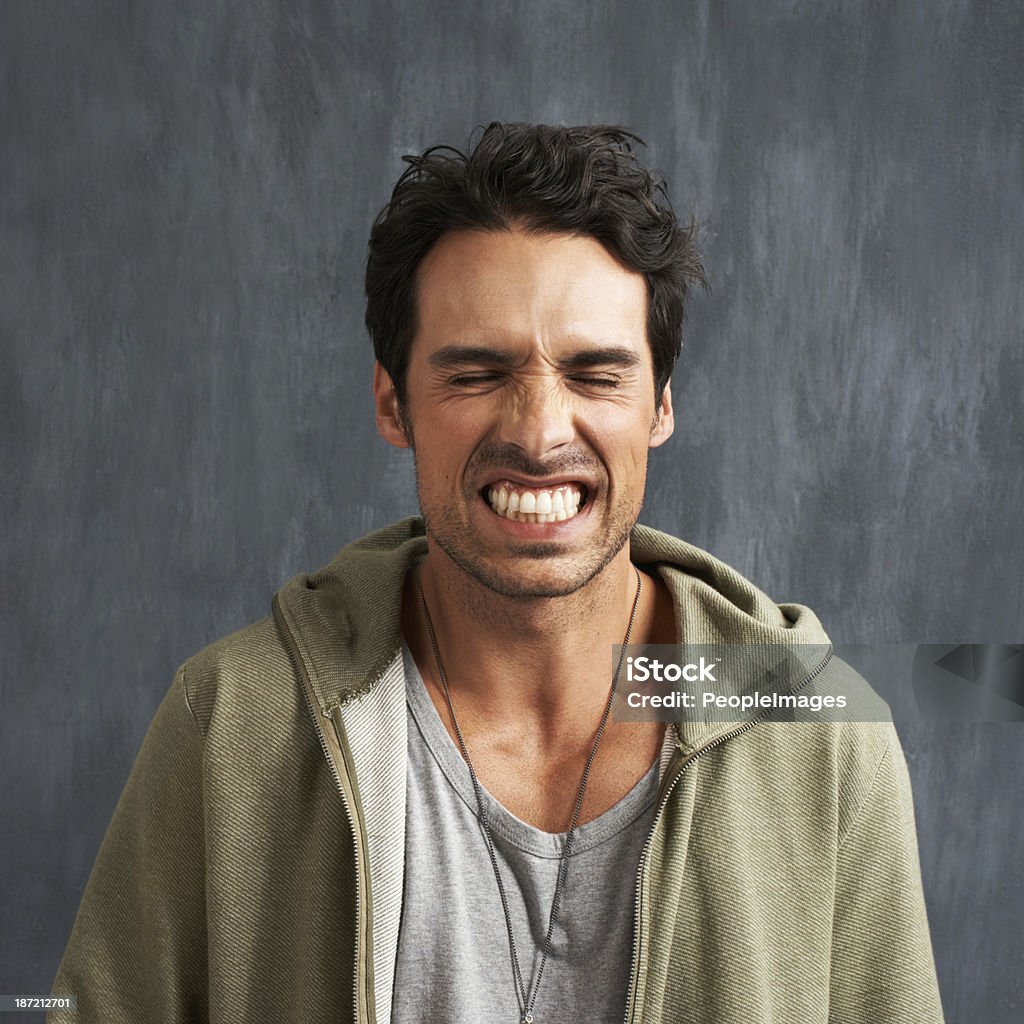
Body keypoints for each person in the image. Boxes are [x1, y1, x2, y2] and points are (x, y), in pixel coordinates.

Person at [49, 123, 945, 1023]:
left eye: (596, 374)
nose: (539, 432)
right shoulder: (232, 721)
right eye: (478, 372)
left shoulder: (811, 726)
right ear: (394, 403)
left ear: (661, 406)